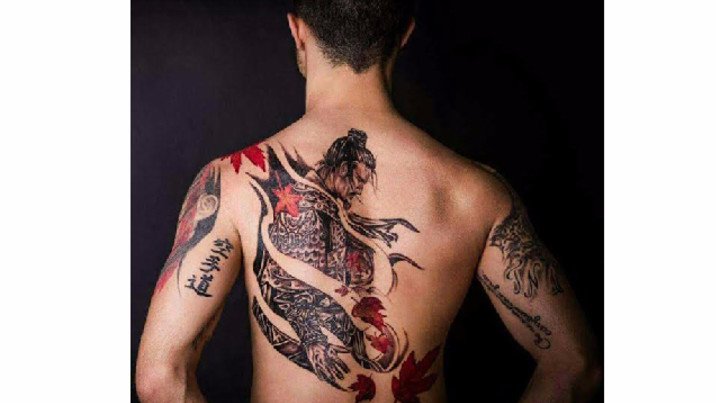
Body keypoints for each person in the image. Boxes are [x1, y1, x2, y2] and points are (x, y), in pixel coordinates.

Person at [136, 1, 602, 402]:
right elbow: (576, 365)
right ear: (405, 34)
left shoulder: (233, 181)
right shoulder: (475, 192)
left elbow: (160, 379)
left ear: (297, 30)